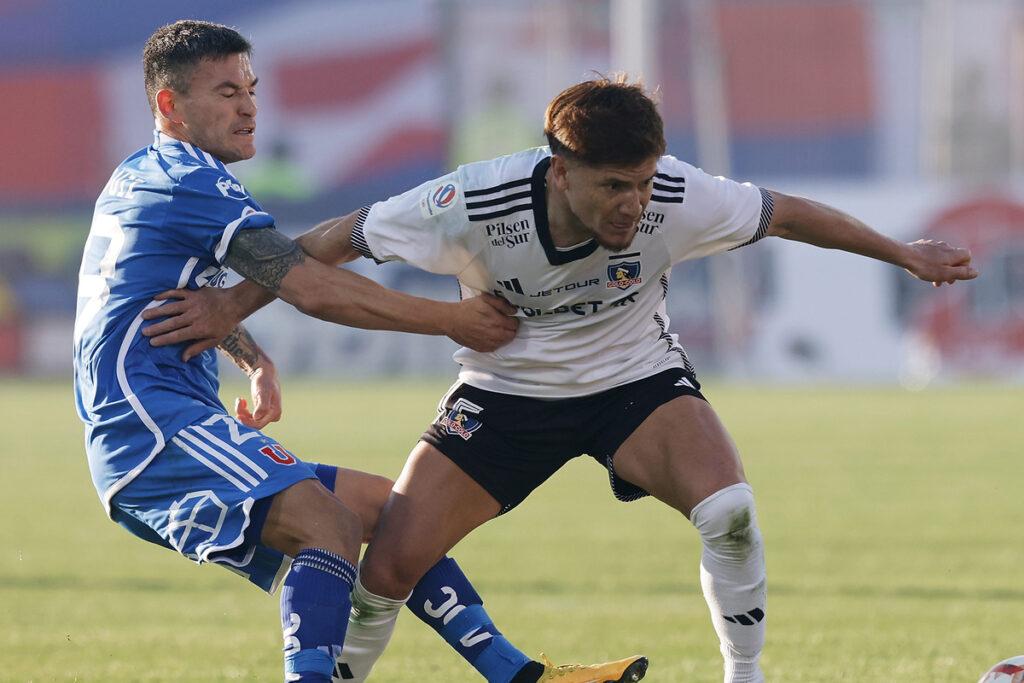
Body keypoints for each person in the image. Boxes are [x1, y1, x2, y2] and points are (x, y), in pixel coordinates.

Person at [144, 74, 978, 683]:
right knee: (392, 563)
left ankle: (745, 674)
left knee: (729, 510)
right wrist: (230, 307)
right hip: (505, 396)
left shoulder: (677, 195)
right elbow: (332, 239)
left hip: (636, 380)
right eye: (615, 187)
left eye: (644, 184)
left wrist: (904, 253)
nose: (634, 205)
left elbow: (786, 213)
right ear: (559, 172)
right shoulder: (469, 201)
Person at [73, 21, 646, 683]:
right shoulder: (190, 181)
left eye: (251, 89)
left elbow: (169, 300)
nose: (249, 106)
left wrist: (250, 355)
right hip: (151, 429)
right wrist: (451, 319)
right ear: (169, 105)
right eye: (226, 91)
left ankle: (519, 675)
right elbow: (312, 287)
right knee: (332, 526)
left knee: (396, 517)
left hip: (156, 425)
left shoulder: (146, 173)